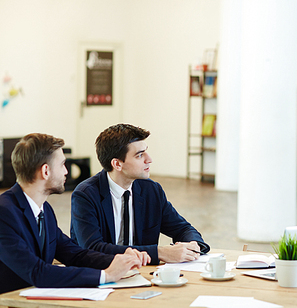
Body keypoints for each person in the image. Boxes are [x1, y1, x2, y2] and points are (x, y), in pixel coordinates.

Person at [0, 133, 149, 295]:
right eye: (63, 164)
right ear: (45, 171)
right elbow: (37, 272)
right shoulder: (4, 213)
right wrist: (105, 276)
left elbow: (74, 254)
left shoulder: (45, 209)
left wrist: (119, 259)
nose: (66, 172)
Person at [70, 123, 210, 265]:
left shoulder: (151, 190)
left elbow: (183, 228)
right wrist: (159, 253)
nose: (149, 159)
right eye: (140, 155)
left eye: (146, 152)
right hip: (102, 275)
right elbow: (92, 249)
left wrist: (193, 245)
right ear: (117, 164)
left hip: (142, 274)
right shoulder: (86, 195)